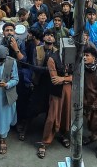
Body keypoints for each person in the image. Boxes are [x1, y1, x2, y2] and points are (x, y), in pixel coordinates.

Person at [37, 29, 72, 158]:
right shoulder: (52, 59)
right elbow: (54, 79)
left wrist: (64, 78)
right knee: (52, 117)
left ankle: (63, 135)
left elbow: (78, 77)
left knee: (66, 115)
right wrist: (68, 78)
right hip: (56, 92)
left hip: (68, 91)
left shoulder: (72, 58)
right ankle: (45, 142)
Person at [82, 46, 97, 159]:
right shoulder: (84, 69)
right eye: (84, 55)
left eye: (87, 55)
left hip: (96, 104)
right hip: (86, 102)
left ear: (94, 58)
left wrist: (95, 105)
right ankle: (92, 137)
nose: (84, 57)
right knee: (89, 122)